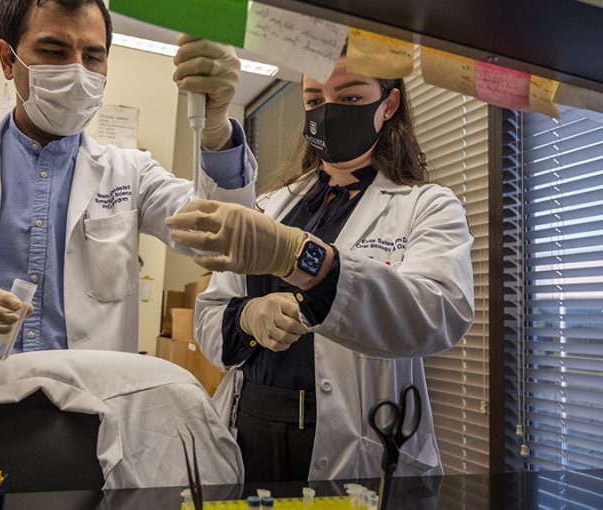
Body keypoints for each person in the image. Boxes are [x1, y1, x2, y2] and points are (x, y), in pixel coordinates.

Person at [0, 0, 256, 407]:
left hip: (91, 417)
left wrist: (216, 129)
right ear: (7, 60)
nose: (77, 70)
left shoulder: (131, 173)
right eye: (54, 51)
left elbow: (223, 242)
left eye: (93, 56)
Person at [166, 50, 474, 482]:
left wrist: (302, 258)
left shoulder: (427, 206)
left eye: (349, 99)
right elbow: (210, 318)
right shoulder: (273, 204)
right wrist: (249, 318)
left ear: (389, 104)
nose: (327, 112)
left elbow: (439, 314)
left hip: (355, 436)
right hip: (251, 424)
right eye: (314, 100)